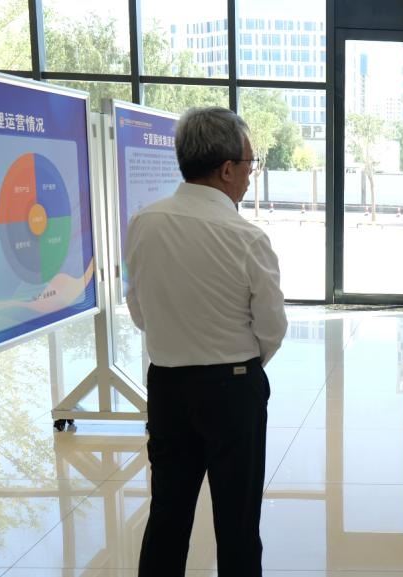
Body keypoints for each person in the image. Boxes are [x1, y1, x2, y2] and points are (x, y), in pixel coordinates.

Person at [126, 107, 288, 576]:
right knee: (237, 522)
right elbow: (272, 326)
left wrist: (177, 342)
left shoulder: (144, 223)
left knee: (167, 513)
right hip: (233, 390)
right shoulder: (246, 237)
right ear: (227, 169)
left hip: (167, 387)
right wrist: (241, 363)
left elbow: (138, 308)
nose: (251, 174)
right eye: (250, 164)